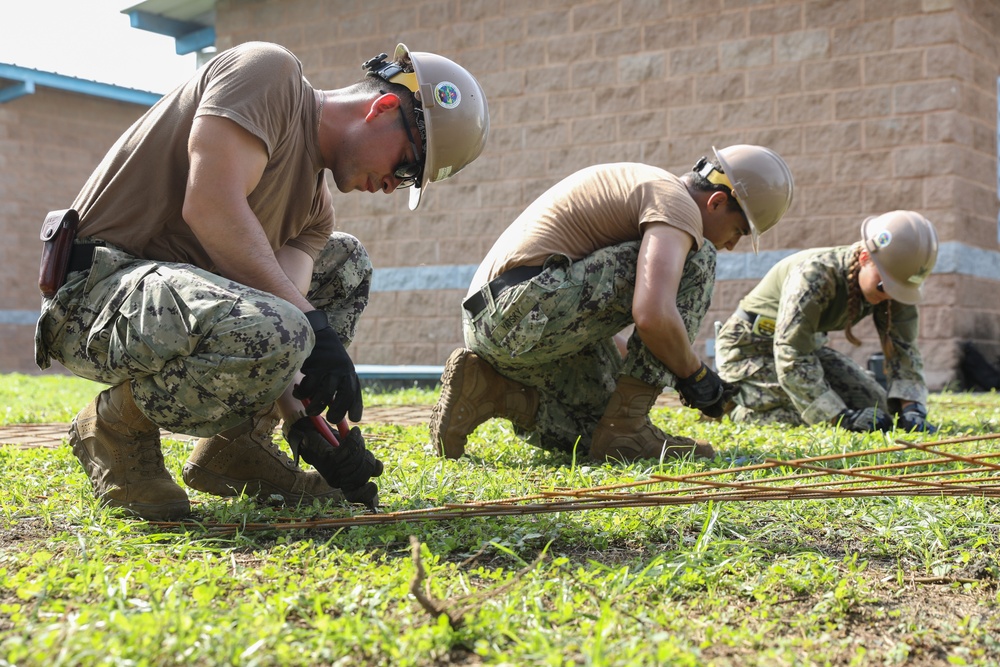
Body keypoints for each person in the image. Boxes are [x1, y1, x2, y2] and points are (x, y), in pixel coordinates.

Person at [33, 42, 489, 520]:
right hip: (94, 294)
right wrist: (314, 328)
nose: (396, 185)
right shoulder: (269, 74)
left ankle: (238, 447)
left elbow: (280, 316)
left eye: (411, 182)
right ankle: (113, 428)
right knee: (293, 325)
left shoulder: (314, 215)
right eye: (407, 166)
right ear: (385, 107)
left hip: (170, 309)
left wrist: (307, 424)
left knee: (343, 262)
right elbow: (210, 204)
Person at [429, 146, 794, 462]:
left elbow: (597, 320)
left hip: (499, 323)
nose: (732, 244)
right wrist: (694, 374)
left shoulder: (653, 190)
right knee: (700, 260)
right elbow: (652, 314)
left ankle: (488, 391)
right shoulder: (677, 205)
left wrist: (626, 372)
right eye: (738, 232)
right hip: (521, 309)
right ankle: (631, 427)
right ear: (716, 202)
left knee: (602, 432)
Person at [714, 210, 939, 433]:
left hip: (806, 350)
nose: (890, 295)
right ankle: (735, 406)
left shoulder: (893, 279)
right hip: (748, 351)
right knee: (809, 412)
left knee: (877, 407)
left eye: (899, 290)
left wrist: (912, 409)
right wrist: (840, 418)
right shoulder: (814, 275)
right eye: (884, 286)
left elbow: (904, 349)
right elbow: (791, 353)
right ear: (864, 258)